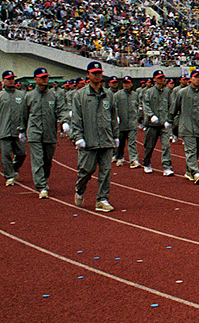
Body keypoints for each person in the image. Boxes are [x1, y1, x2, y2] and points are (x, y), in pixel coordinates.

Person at [71, 61, 118, 212]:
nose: (97, 76)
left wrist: (115, 135)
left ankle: (102, 199)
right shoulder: (80, 95)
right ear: (88, 75)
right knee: (86, 170)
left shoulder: (108, 95)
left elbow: (113, 117)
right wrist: (78, 137)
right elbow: (76, 119)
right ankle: (79, 189)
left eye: (99, 73)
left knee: (105, 171)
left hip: (106, 139)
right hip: (88, 140)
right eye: (94, 73)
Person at [22, 67, 68, 199]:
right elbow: (23, 115)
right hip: (34, 133)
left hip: (49, 133)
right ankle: (41, 186)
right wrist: (21, 130)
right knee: (37, 160)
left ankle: (45, 179)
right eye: (41, 77)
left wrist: (64, 121)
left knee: (47, 160)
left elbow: (61, 109)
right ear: (35, 79)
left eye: (46, 77)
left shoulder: (54, 95)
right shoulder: (29, 96)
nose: (44, 79)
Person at [172, 69, 199, 184]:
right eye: (196, 77)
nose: (198, 79)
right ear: (191, 79)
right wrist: (170, 120)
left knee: (196, 152)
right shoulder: (182, 93)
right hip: (187, 127)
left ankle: (189, 171)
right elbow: (175, 107)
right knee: (191, 150)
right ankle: (196, 172)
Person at [0, 70, 29, 186]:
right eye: (8, 79)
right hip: (5, 130)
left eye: (12, 79)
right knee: (6, 154)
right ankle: (9, 176)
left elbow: (26, 112)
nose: (11, 81)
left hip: (18, 130)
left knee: (22, 153)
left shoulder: (22, 95)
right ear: (3, 81)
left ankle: (15, 168)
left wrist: (25, 129)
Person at [141, 70, 174, 176]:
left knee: (166, 146)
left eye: (162, 78)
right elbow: (146, 105)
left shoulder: (168, 92)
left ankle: (167, 166)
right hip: (152, 124)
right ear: (154, 79)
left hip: (164, 124)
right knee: (149, 146)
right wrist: (151, 116)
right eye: (159, 78)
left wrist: (169, 119)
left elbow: (171, 105)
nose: (161, 80)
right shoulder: (149, 92)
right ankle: (147, 163)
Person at [114, 77, 141, 168]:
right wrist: (116, 117)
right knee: (120, 142)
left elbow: (138, 106)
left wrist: (137, 116)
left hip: (132, 123)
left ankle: (134, 160)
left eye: (128, 83)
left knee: (132, 142)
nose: (126, 85)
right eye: (124, 83)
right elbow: (114, 107)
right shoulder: (117, 95)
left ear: (131, 84)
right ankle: (119, 157)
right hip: (121, 123)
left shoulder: (135, 95)